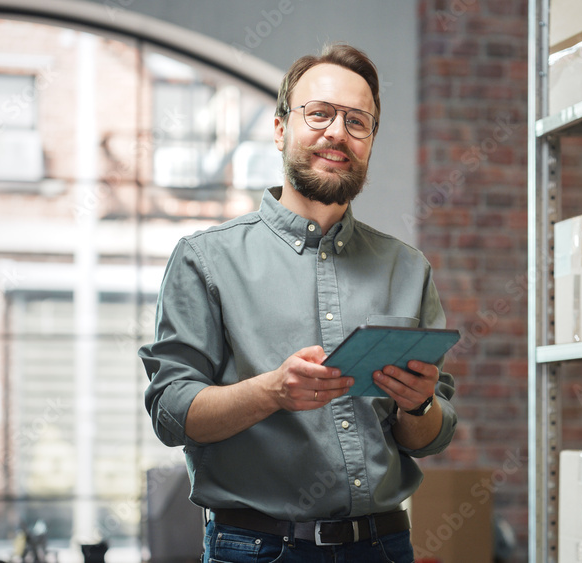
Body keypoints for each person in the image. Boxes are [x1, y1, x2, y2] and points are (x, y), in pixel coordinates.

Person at [139, 43, 457, 563]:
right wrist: (271, 391)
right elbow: (172, 414)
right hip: (256, 548)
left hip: (383, 546)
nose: (338, 133)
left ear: (371, 141)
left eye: (358, 121)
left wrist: (417, 402)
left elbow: (427, 437)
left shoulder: (408, 268)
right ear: (281, 127)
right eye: (320, 114)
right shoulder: (205, 260)